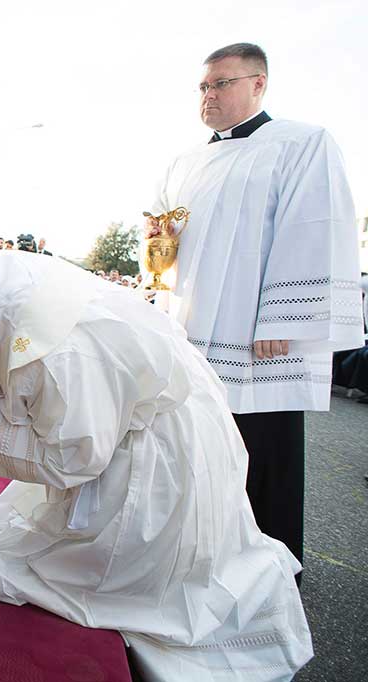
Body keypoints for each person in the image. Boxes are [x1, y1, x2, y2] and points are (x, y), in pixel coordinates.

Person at [0, 253, 313, 681]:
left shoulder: (54, 355)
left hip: (154, 451)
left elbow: (74, 458)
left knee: (29, 571)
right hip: (110, 414)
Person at [149, 42, 363, 574]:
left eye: (222, 83)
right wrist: (159, 242)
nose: (209, 95)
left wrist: (284, 317)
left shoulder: (301, 143)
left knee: (261, 444)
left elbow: (313, 229)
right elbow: (164, 238)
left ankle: (269, 561)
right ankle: (200, 547)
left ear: (258, 83)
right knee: (194, 435)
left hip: (255, 330)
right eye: (203, 86)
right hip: (193, 321)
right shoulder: (185, 161)